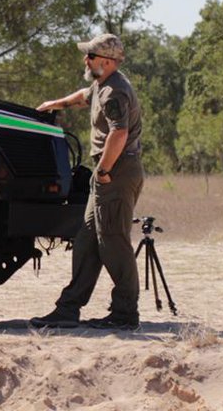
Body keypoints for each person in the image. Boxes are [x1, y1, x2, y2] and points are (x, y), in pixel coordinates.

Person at [30, 33, 145, 330]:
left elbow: (118, 134)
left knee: (114, 242)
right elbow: (83, 96)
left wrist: (105, 171)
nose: (86, 59)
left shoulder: (114, 92)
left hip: (117, 171)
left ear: (106, 61)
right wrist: (55, 104)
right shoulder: (101, 85)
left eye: (90, 56)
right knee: (87, 240)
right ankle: (68, 309)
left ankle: (124, 315)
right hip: (106, 172)